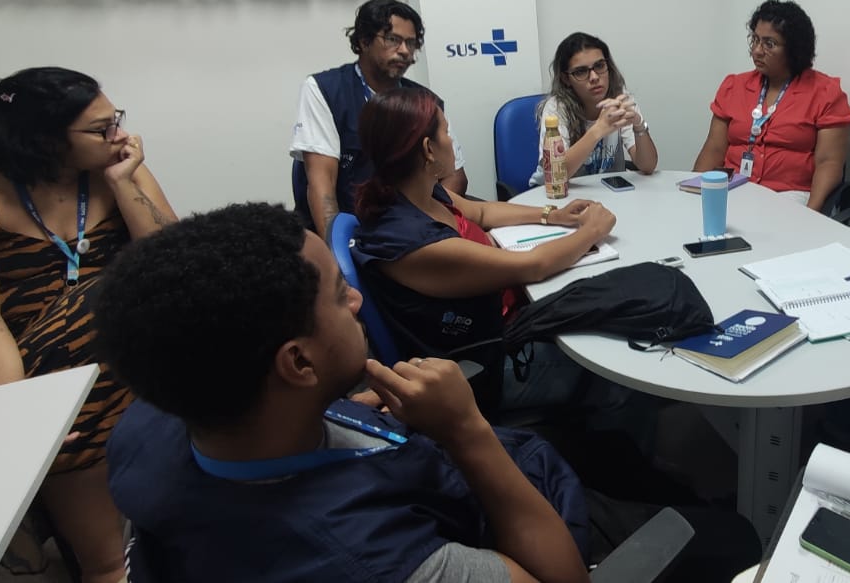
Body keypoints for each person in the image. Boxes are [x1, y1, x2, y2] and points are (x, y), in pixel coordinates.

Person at [94, 203, 591, 582]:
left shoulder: (154, 417)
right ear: (299, 362)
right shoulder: (373, 559)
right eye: (339, 294)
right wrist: (465, 430)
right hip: (514, 516)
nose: (356, 299)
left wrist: (339, 408)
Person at [0, 67, 177, 583]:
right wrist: (25, 417)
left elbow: (176, 261)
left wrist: (125, 185)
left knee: (167, 308)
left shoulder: (116, 163)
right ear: (45, 139)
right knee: (109, 301)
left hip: (103, 348)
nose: (119, 136)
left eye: (115, 120)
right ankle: (105, 564)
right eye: (100, 128)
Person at [350, 87, 623, 413]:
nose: (452, 141)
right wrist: (592, 230)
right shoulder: (416, 243)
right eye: (446, 132)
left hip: (500, 328)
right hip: (481, 369)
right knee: (614, 371)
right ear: (428, 149)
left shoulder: (417, 193)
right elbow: (533, 266)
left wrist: (553, 215)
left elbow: (481, 213)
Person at [291, 0, 468, 235]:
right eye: (393, 40)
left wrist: (434, 227)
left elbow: (454, 176)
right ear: (364, 41)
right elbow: (322, 183)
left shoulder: (425, 100)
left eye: (411, 43)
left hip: (412, 226)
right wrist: (339, 255)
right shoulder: (325, 90)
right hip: (353, 229)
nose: (404, 50)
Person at [691, 0, 850, 211]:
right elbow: (713, 149)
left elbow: (828, 164)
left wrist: (811, 215)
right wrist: (694, 195)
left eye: (769, 44)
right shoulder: (734, 86)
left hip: (789, 196)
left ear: (795, 49)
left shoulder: (825, 93)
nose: (757, 51)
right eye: (755, 40)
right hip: (735, 189)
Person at [529, 32, 658, 186]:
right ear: (566, 79)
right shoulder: (556, 109)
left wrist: (638, 125)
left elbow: (648, 167)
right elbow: (557, 176)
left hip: (605, 194)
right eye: (581, 72)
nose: (594, 77)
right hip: (553, 195)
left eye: (599, 66)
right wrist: (598, 130)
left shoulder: (620, 99)